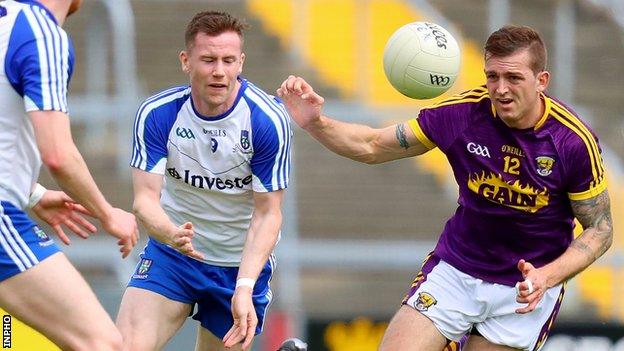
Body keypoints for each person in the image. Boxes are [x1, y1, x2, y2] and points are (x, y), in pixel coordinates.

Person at [278, 25, 612, 351]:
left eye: (513, 78)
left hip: (526, 289)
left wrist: (546, 277)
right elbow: (373, 145)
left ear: (541, 81)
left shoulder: (571, 142)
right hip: (457, 270)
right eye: (492, 76)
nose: (500, 89)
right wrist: (316, 123)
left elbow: (600, 229)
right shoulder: (462, 114)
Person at [116, 10, 291, 351]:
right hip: (173, 257)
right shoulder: (157, 113)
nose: (219, 72)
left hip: (237, 268)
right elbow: (144, 200)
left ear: (241, 62)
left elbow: (268, 214)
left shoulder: (266, 120)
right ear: (186, 61)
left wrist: (243, 286)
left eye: (228, 60)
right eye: (208, 60)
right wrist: (170, 234)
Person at [0, 0, 139, 350]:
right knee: (102, 343)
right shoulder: (40, 32)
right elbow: (58, 155)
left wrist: (31, 193)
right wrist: (109, 214)